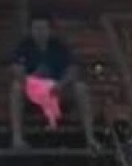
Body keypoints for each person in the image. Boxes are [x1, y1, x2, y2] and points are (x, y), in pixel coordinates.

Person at [10, 11, 99, 152]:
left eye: (43, 28)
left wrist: (61, 84)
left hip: (57, 92)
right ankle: (17, 139)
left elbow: (73, 69)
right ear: (31, 30)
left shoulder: (59, 47)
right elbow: (17, 70)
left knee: (81, 88)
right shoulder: (24, 47)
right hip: (34, 93)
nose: (40, 32)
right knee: (16, 88)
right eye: (36, 28)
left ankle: (90, 138)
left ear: (50, 30)